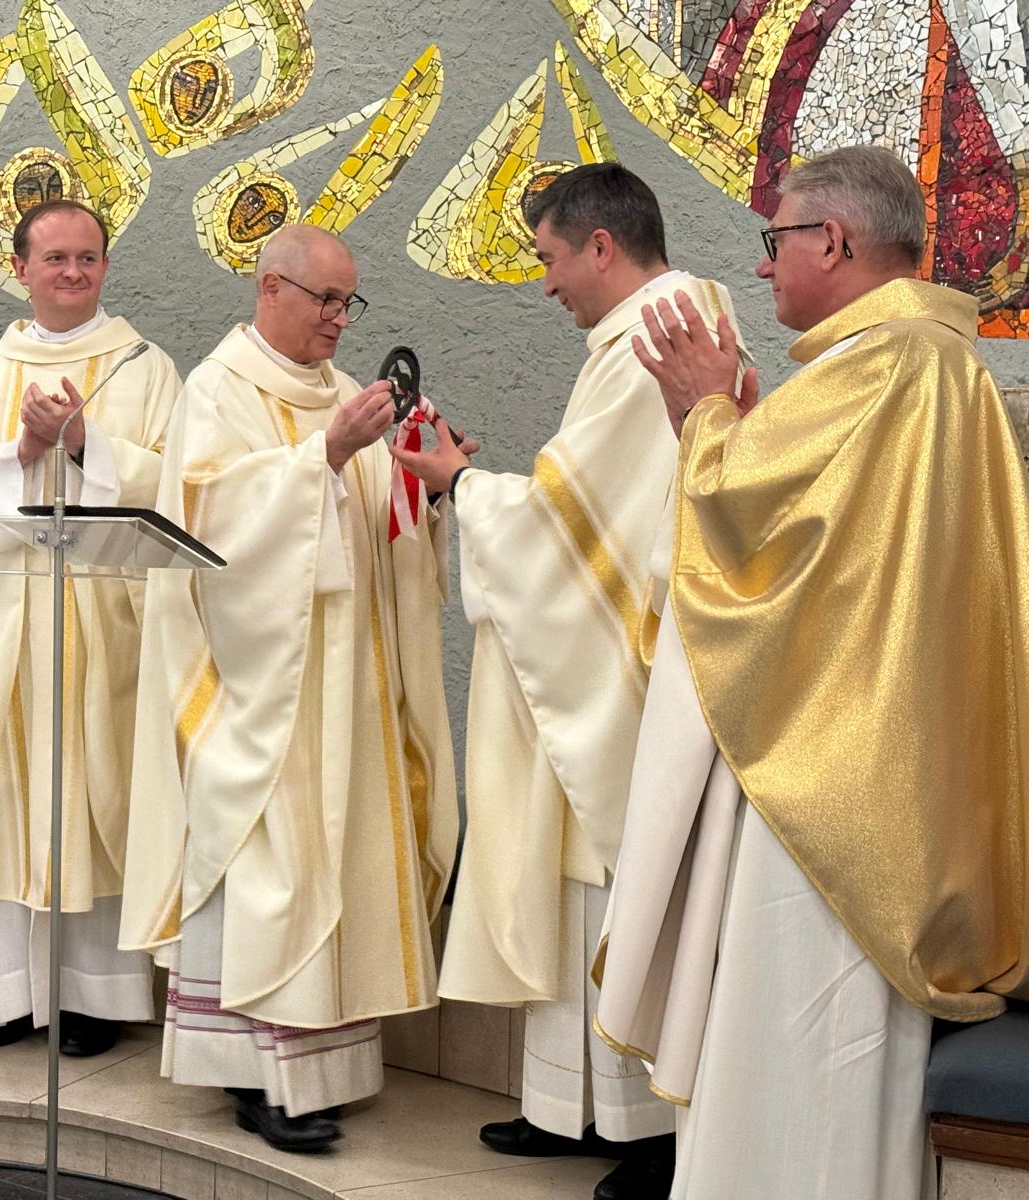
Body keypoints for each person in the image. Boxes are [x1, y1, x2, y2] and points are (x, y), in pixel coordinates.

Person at [596, 144, 1029, 1199]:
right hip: (871, 772)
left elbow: (746, 538)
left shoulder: (881, 366)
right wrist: (733, 426)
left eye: (775, 240)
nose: (763, 267)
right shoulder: (929, 365)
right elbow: (824, 556)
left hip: (831, 795)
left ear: (832, 240)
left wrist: (703, 413)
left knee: (796, 1066)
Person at [391, 163, 746, 1200]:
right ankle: (572, 1108)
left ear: (601, 245)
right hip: (617, 657)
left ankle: (643, 1129)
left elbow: (574, 519)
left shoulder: (663, 330)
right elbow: (584, 499)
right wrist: (493, 491)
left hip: (635, 674)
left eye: (548, 257)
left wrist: (465, 488)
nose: (543, 281)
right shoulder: (660, 326)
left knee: (617, 883)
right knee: (583, 886)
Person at [119, 224, 461, 1152]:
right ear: (272, 289)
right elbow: (198, 527)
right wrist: (321, 461)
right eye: (326, 301)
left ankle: (324, 1067)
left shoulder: (349, 395)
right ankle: (256, 1076)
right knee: (271, 872)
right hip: (262, 692)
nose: (341, 321)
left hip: (346, 687)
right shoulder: (217, 389)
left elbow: (375, 535)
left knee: (331, 867)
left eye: (352, 303)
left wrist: (423, 487)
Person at [0, 200, 180, 1057]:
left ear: (106, 267)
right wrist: (19, 455)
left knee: (94, 790)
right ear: (20, 267)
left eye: (89, 258)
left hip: (103, 622)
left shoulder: (146, 368)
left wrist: (88, 438)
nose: (73, 272)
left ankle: (91, 997)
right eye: (55, 258)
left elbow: (180, 484)